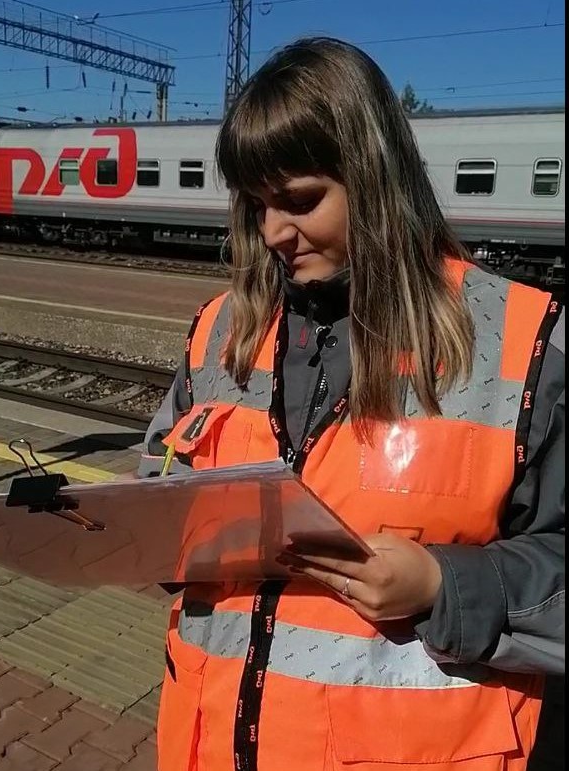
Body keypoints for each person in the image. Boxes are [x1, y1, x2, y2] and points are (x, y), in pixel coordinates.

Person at [138, 37, 565, 771]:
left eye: (301, 200)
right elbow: (160, 471)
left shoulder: (525, 345)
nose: (273, 232)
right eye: (257, 204)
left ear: (374, 176)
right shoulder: (221, 330)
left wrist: (443, 585)